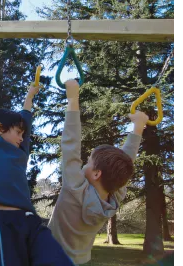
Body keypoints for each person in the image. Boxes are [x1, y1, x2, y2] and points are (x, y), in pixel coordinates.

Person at [0, 53, 74, 266]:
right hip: (2, 222)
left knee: (58, 261)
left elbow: (26, 121)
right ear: (0, 128)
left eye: (23, 134)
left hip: (30, 221)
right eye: (18, 133)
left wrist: (29, 97)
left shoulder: (20, 152)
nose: (22, 138)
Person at [47, 79, 149, 265]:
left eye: (88, 162)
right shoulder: (113, 197)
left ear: (96, 174)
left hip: (51, 258)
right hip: (81, 261)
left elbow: (71, 144)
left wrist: (72, 99)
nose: (83, 164)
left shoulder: (76, 188)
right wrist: (138, 128)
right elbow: (126, 161)